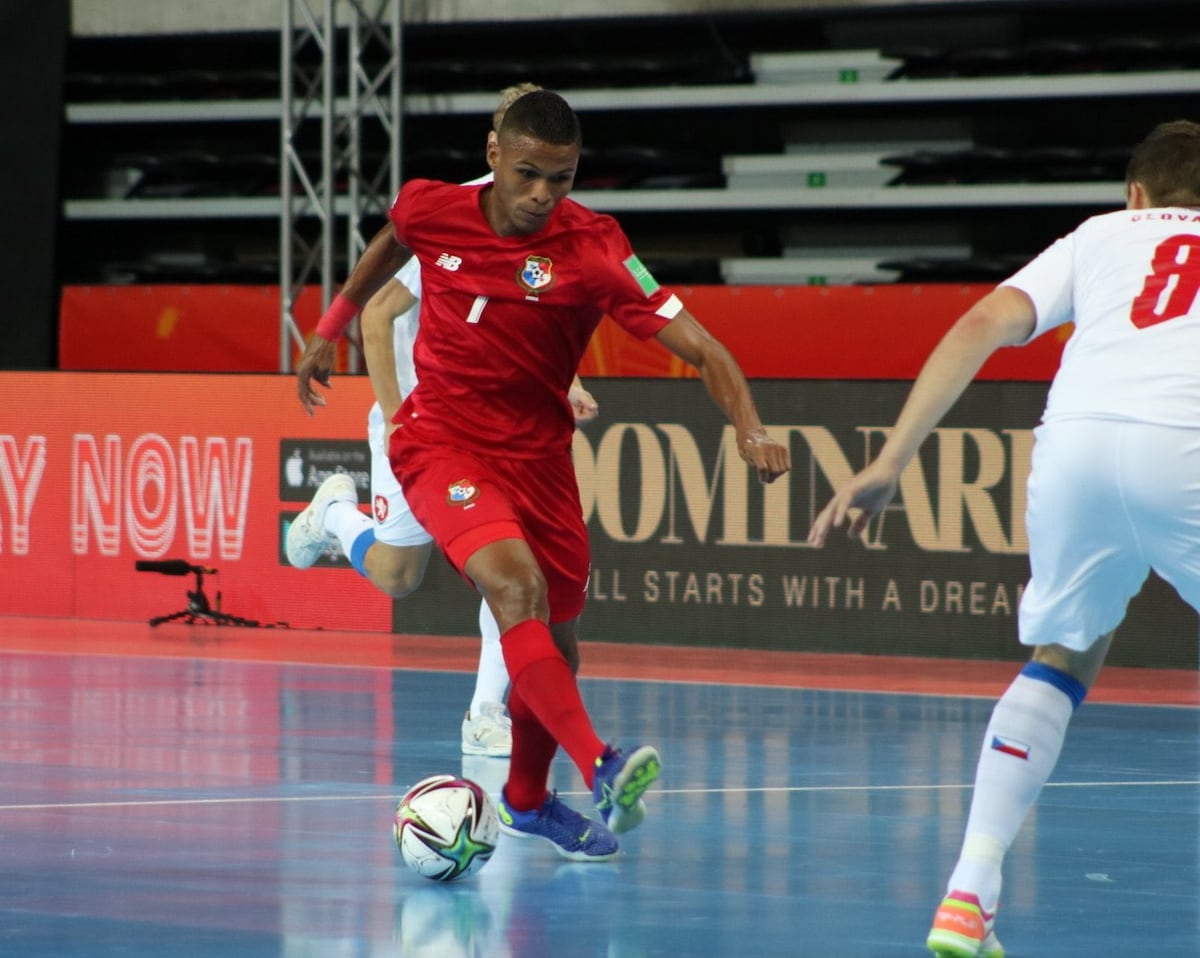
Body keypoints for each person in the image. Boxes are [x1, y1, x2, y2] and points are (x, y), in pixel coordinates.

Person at [295, 89, 791, 862]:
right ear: (493, 157)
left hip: (541, 461)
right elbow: (391, 245)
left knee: (559, 647)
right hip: (442, 444)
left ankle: (526, 800)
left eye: (560, 179)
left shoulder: (593, 248)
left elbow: (700, 345)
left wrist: (750, 426)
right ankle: (602, 763)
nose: (541, 196)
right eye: (528, 175)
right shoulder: (435, 206)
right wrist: (331, 326)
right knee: (513, 591)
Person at [806, 119, 1200, 957]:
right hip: (1188, 446)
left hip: (1077, 446)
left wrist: (891, 458)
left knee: (1065, 651)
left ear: (1136, 197)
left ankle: (969, 891)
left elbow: (982, 322)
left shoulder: (1100, 236)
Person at [286, 85, 591, 759]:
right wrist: (398, 421)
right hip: (425, 421)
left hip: (495, 432)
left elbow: (526, 319)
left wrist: (563, 380)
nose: (543, 187)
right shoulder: (462, 214)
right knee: (399, 574)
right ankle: (335, 513)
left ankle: (486, 712)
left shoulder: (549, 217)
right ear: (500, 140)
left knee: (514, 570)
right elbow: (377, 312)